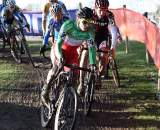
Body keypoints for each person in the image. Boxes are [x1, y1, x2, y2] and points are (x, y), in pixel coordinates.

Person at [41, 7, 96, 106]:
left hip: (72, 53)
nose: (87, 25)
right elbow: (58, 44)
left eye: (90, 22)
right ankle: (46, 90)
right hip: (60, 50)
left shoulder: (91, 31)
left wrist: (93, 64)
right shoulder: (68, 25)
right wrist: (60, 57)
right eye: (85, 22)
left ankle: (65, 101)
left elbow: (91, 49)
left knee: (74, 75)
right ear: (78, 19)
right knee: (56, 68)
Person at [78, 0, 121, 94]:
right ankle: (81, 83)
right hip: (90, 35)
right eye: (100, 10)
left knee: (104, 56)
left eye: (105, 10)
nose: (102, 13)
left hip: (102, 36)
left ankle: (99, 75)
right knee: (85, 53)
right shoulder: (90, 14)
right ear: (95, 8)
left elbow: (113, 32)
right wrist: (80, 43)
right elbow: (80, 27)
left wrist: (112, 47)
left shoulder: (110, 15)